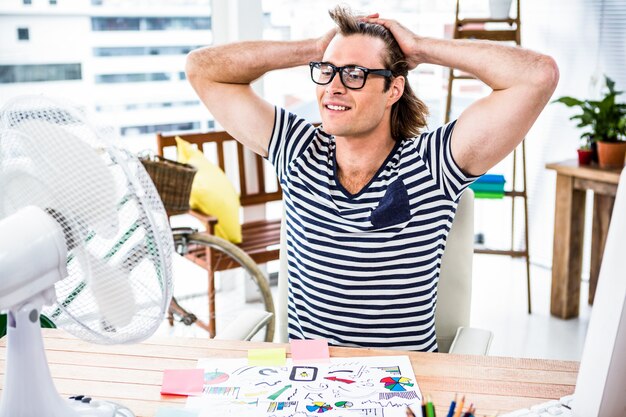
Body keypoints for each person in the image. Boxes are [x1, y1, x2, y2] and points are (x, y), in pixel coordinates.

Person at [185, 6, 558, 351]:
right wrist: (311, 49)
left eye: (354, 74)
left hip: (402, 384)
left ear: (393, 89)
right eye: (327, 71)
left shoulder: (433, 164)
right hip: (311, 383)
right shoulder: (298, 151)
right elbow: (202, 68)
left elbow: (537, 76)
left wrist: (422, 49)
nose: (333, 86)